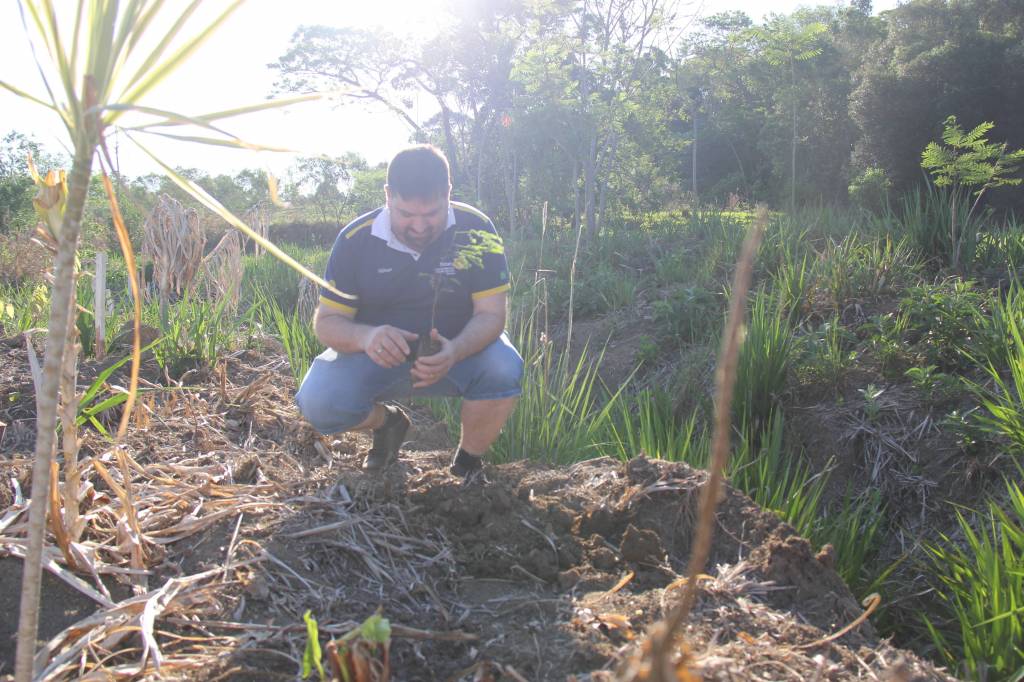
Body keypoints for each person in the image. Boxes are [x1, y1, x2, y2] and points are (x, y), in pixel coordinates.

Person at [295, 144, 522, 480]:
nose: (419, 227)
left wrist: (456, 350)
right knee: (319, 401)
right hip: (376, 358)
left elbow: (492, 315)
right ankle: (388, 424)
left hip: (457, 354)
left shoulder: (477, 229)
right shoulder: (356, 239)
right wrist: (366, 337)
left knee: (504, 367)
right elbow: (327, 323)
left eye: (431, 214)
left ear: (448, 193)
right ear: (388, 196)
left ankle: (467, 465)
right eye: (405, 215)